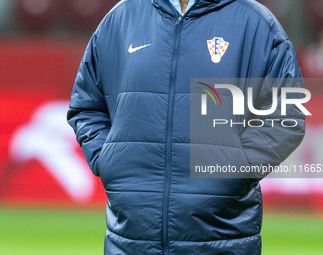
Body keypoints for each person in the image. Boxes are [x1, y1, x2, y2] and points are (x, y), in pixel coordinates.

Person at [67, 0, 305, 254]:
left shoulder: (256, 22)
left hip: (222, 238)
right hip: (130, 240)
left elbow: (286, 116)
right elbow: (86, 107)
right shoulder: (120, 19)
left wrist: (236, 170)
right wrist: (111, 162)